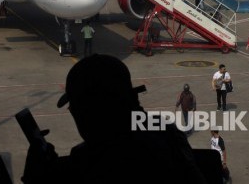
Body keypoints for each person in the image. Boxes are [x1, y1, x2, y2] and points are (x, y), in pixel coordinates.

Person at [22, 54, 213, 184]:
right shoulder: (169, 134)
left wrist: (37, 176)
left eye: (76, 109)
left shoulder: (87, 159)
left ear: (91, 113)